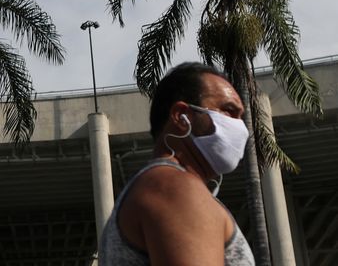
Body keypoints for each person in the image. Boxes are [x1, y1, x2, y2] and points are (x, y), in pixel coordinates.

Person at [99, 62, 254, 265]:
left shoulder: (163, 185)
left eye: (240, 116)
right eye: (229, 110)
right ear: (181, 117)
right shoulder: (176, 188)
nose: (239, 126)